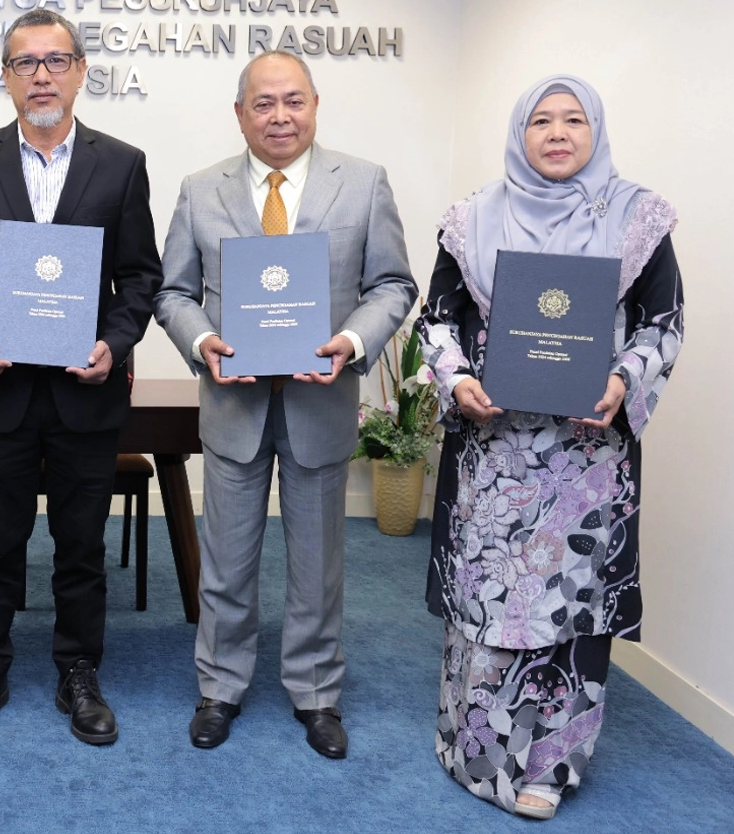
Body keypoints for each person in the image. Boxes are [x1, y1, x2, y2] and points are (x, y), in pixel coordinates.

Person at [416, 75, 682, 820]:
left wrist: (624, 380)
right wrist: (457, 378)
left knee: (570, 606)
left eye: (573, 120)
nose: (558, 133)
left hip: (585, 461)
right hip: (494, 452)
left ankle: (550, 767)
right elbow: (436, 320)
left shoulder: (637, 219)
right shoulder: (472, 218)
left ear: (596, 132)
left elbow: (663, 323)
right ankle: (473, 749)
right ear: (519, 133)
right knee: (490, 598)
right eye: (540, 120)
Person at [155, 51, 416, 756]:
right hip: (232, 407)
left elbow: (393, 285)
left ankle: (317, 693)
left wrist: (350, 343)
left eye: (293, 101)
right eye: (263, 103)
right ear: (240, 113)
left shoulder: (362, 183)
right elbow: (173, 292)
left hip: (319, 405)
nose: (280, 116)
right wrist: (202, 340)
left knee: (318, 566)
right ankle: (220, 687)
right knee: (226, 561)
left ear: (315, 105)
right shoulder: (200, 190)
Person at [0, 7, 162, 744]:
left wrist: (114, 344)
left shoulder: (121, 163)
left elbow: (139, 276)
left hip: (82, 391)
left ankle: (79, 670)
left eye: (56, 60)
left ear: (80, 71)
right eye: (25, 63)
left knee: (81, 545)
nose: (42, 75)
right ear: (5, 77)